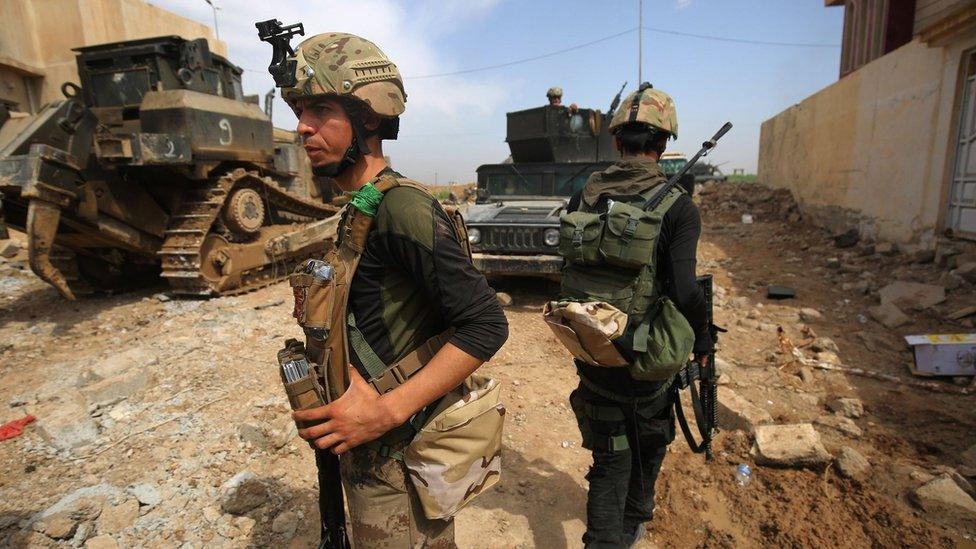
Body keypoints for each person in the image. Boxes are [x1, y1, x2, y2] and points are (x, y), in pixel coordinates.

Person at [279, 32, 509, 547]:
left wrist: (387, 410)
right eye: (299, 110)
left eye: (319, 109)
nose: (302, 127)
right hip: (369, 454)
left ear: (368, 117)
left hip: (398, 460)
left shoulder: (400, 207)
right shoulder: (361, 207)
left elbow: (486, 324)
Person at [562, 83, 713, 548]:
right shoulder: (678, 207)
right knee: (650, 440)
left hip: (593, 347)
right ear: (664, 143)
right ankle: (631, 523)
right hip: (648, 358)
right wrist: (704, 342)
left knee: (610, 454)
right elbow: (686, 290)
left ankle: (617, 531)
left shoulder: (582, 197)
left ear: (616, 141)